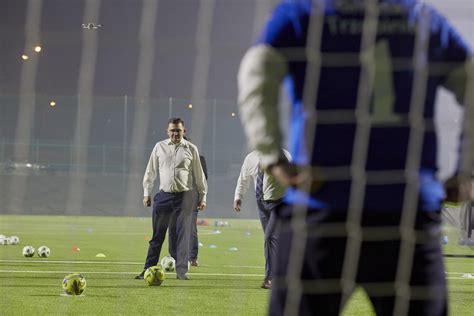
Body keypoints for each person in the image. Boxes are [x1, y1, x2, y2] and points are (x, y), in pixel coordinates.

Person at [238, 1, 473, 315]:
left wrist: (272, 157)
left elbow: (255, 70)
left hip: (322, 211)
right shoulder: (421, 16)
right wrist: (466, 170)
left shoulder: (305, 12)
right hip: (406, 218)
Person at [136, 117, 207, 280]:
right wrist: (146, 193)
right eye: (172, 130)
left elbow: (199, 175)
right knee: (157, 236)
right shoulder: (159, 147)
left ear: (184, 131)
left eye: (178, 130)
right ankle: (148, 269)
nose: (175, 133)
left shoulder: (191, 149)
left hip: (185, 197)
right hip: (164, 197)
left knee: (182, 236)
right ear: (167, 132)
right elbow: (150, 171)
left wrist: (202, 197)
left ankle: (181, 272)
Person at [233, 149, 290, 289]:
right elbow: (243, 178)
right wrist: (238, 196)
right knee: (273, 240)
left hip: (280, 203)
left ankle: (270, 278)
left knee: (270, 238)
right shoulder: (251, 158)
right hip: (261, 204)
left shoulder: (283, 155)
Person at [169, 141, 208, 267]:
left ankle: (192, 257)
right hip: (174, 197)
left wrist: (202, 197)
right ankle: (174, 256)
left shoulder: (199, 158)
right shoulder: (172, 157)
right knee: (173, 228)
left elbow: (203, 178)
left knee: (191, 228)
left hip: (191, 197)